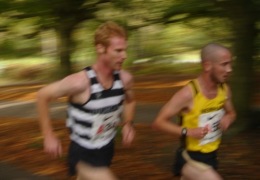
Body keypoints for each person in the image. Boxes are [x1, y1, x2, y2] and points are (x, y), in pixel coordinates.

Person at [36, 21, 136, 180]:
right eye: (118, 50)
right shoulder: (80, 82)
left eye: (125, 50)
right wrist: (48, 135)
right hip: (82, 152)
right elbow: (42, 96)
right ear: (100, 48)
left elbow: (130, 101)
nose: (124, 55)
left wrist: (128, 123)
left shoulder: (125, 79)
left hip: (106, 148)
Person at [152, 43, 236, 180]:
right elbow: (158, 122)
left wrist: (228, 118)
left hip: (212, 157)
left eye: (230, 64)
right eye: (224, 64)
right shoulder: (188, 94)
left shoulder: (224, 90)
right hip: (189, 158)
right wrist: (188, 131)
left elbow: (232, 113)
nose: (229, 69)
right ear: (207, 65)